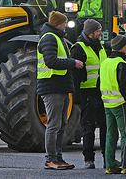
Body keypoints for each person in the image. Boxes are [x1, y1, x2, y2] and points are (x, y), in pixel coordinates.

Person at [37, 11, 84, 170]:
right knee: (54, 125)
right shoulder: (50, 38)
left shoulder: (57, 38)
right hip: (52, 87)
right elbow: (51, 61)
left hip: (60, 87)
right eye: (64, 23)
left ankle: (57, 157)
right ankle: (51, 159)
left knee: (61, 124)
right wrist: (72, 63)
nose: (66, 26)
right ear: (58, 23)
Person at [70, 19, 107, 169]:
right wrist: (79, 97)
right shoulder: (78, 48)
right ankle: (89, 159)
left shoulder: (100, 46)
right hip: (87, 95)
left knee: (106, 127)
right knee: (88, 127)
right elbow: (74, 77)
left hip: (102, 93)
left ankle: (107, 158)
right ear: (91, 33)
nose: (100, 33)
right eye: (98, 31)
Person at [100, 34, 126, 175]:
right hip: (120, 104)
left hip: (107, 104)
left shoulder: (105, 63)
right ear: (120, 48)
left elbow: (100, 83)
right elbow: (124, 85)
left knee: (110, 134)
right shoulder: (122, 64)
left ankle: (110, 165)